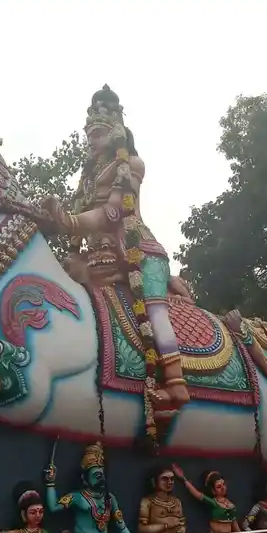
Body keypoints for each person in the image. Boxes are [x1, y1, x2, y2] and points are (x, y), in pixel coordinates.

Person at [40, 86, 189, 414]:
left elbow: (113, 213)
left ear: (116, 132)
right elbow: (82, 219)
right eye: (88, 135)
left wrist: (68, 221)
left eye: (97, 134)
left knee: (155, 310)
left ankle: (176, 383)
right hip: (97, 258)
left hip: (140, 253)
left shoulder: (131, 165)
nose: (90, 141)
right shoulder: (89, 178)